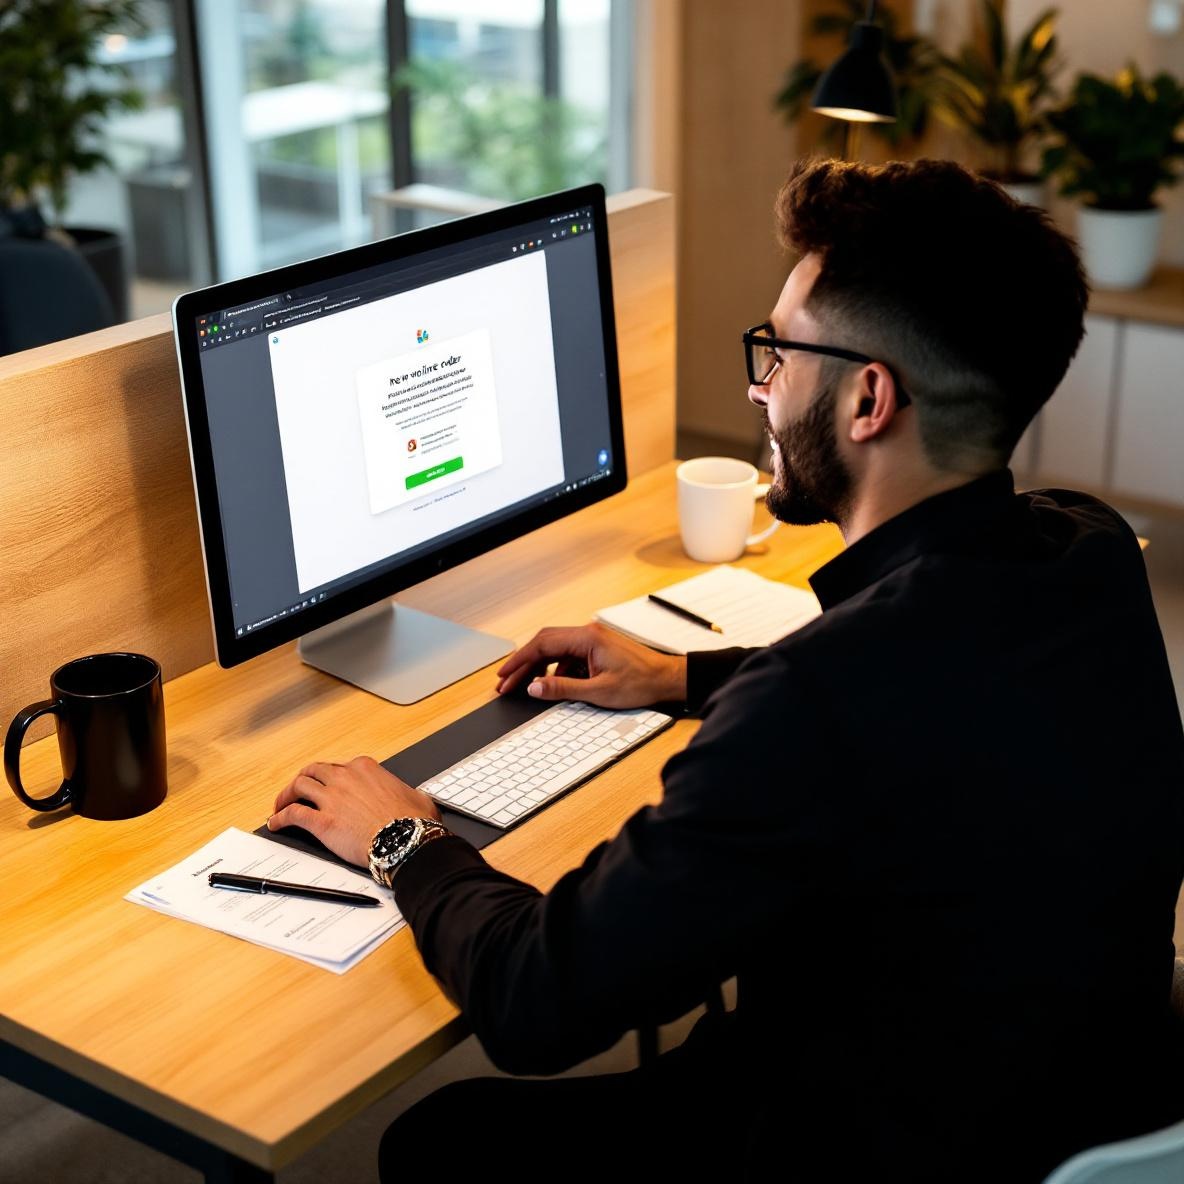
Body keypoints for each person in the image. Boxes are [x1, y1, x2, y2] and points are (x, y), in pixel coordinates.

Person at [269, 158, 1184, 1182]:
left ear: (866, 398)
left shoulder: (812, 704)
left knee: (439, 1138)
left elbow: (536, 1004)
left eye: (779, 353)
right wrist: (678, 677)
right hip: (1079, 1094)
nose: (756, 385)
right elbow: (922, 690)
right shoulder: (1086, 546)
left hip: (869, 1143)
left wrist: (404, 837)